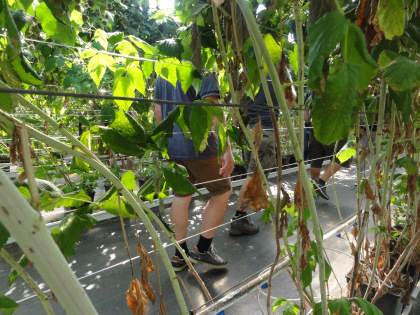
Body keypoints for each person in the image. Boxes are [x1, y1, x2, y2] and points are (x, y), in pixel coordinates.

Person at [154, 74, 234, 271]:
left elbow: (158, 112)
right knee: (222, 191)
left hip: (172, 143)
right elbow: (212, 109)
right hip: (200, 144)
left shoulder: (163, 71)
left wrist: (166, 142)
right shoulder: (202, 64)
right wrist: (226, 149)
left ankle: (179, 255)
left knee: (181, 196)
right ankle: (203, 250)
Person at [229, 71, 296, 236]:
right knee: (254, 175)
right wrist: (289, 81)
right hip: (265, 130)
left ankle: (257, 204)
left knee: (253, 174)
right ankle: (240, 218)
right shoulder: (277, 69)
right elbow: (290, 101)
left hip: (247, 129)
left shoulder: (244, 69)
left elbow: (234, 107)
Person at [304, 91, 352, 200]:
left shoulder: (312, 88)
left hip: (314, 128)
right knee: (345, 155)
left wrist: (309, 124)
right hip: (333, 128)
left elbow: (305, 114)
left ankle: (314, 189)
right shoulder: (338, 84)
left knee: (316, 159)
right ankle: (320, 182)